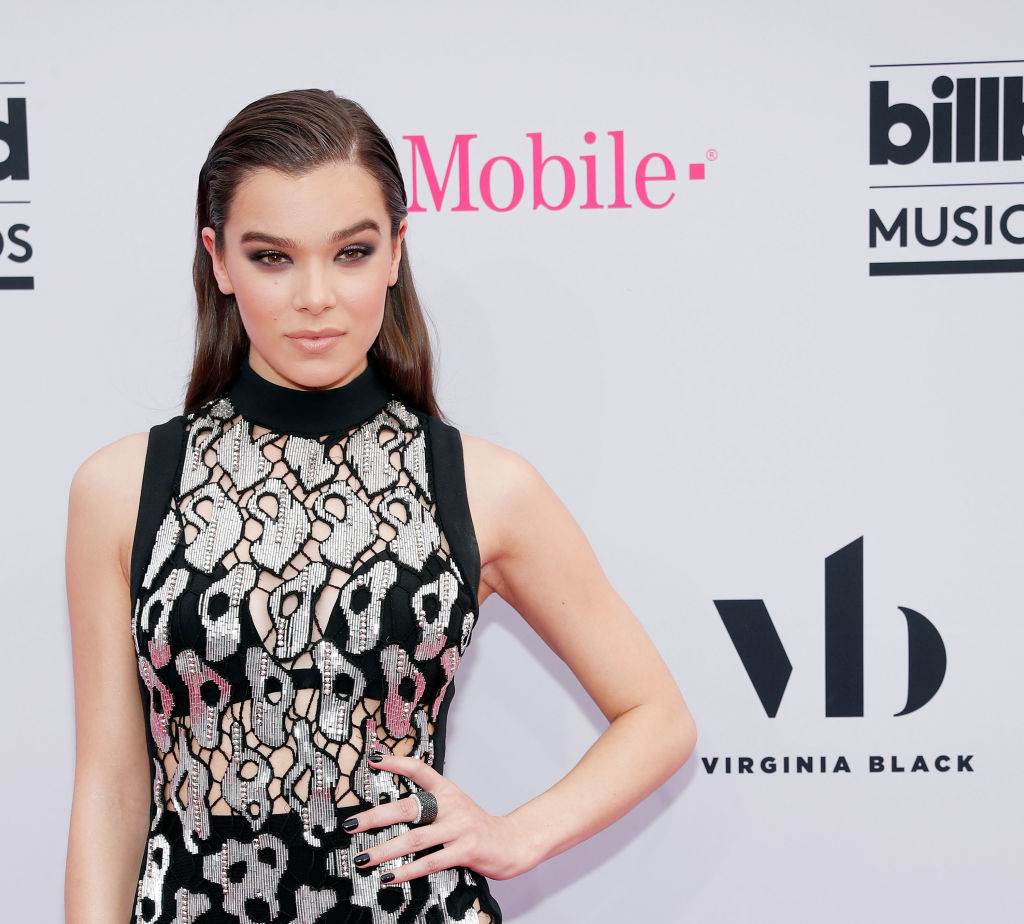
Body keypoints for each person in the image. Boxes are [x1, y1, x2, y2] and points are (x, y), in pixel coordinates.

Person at [64, 89, 697, 923]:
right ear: (218, 261)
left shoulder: (482, 487)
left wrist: (515, 837)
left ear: (396, 252)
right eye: (272, 257)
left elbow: (659, 717)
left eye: (351, 252)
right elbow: (112, 787)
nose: (315, 296)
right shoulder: (122, 487)